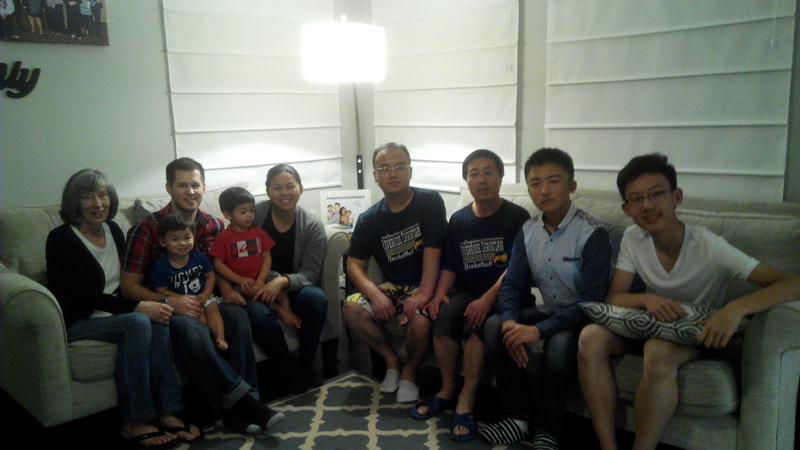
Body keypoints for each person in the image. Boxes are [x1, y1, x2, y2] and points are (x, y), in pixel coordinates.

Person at [577, 153, 800, 450]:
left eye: (657, 194)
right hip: (650, 325)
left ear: (676, 197)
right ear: (627, 209)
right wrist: (647, 298)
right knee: (589, 337)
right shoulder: (633, 238)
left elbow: (793, 283)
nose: (647, 205)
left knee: (657, 352)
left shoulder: (709, 246)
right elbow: (614, 297)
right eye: (637, 199)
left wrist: (735, 308)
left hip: (695, 335)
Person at [121, 157, 283, 435]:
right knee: (191, 328)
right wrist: (169, 301)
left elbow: (217, 269)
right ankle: (246, 405)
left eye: (195, 185)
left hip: (207, 299)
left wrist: (227, 287)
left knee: (238, 316)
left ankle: (244, 403)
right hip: (165, 307)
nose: (190, 191)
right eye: (182, 185)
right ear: (169, 188)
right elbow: (128, 288)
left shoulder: (214, 225)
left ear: (204, 188)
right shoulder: (146, 230)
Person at [46, 169, 203, 448]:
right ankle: (134, 420)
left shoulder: (114, 230)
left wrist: (155, 301)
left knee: (158, 318)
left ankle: (168, 411)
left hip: (116, 312)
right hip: (80, 320)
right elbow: (80, 297)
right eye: (88, 197)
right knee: (138, 321)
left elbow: (128, 280)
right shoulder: (61, 238)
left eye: (103, 195)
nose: (98, 204)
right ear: (74, 201)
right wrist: (136, 306)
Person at [479, 148, 612, 448]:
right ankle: (517, 418)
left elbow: (591, 302)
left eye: (554, 181)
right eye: (535, 183)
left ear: (571, 185)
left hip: (581, 319)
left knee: (560, 344)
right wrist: (511, 323)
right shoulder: (527, 230)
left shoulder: (592, 233)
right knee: (495, 326)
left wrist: (537, 331)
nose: (544, 190)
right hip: (547, 310)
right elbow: (511, 284)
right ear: (528, 189)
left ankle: (548, 430)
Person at [412, 149, 530, 442]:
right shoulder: (459, 219)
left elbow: (517, 267)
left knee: (480, 321)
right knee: (445, 314)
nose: (482, 180)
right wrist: (439, 294)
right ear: (466, 180)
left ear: (500, 178)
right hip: (467, 292)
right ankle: (447, 388)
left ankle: (467, 399)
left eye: (489, 172)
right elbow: (451, 265)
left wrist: (488, 298)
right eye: (474, 174)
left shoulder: (518, 217)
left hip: (506, 294)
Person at [342, 142, 447, 403]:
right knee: (351, 308)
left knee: (420, 321)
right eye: (384, 168)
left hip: (430, 285)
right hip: (394, 287)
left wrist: (424, 294)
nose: (393, 173)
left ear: (410, 171)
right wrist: (374, 294)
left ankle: (410, 372)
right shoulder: (369, 218)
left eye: (399, 166)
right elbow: (354, 264)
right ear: (375, 176)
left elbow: (434, 250)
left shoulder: (430, 202)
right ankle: (392, 362)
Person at [242, 164, 328, 394]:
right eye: (277, 187)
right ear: (268, 191)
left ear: (301, 188)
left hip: (292, 287)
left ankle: (306, 365)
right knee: (258, 314)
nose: (284, 193)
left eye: (290, 186)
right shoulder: (255, 215)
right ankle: (289, 370)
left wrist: (281, 282)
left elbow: (310, 273)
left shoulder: (312, 225)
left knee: (316, 299)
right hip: (255, 285)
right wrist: (260, 283)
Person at [211, 186, 302, 329]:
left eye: (252, 211)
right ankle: (277, 309)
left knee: (278, 284)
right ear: (228, 215)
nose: (250, 215)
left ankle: (287, 309)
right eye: (243, 212)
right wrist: (239, 279)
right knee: (252, 291)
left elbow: (267, 257)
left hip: (262, 277)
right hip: (240, 282)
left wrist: (261, 278)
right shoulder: (223, 238)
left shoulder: (259, 233)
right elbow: (218, 264)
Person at [152, 212, 227, 350]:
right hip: (183, 302)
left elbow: (210, 276)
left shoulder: (198, 256)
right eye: (175, 239)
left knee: (213, 309)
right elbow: (161, 290)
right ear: (162, 242)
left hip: (202, 295)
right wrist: (181, 299)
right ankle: (209, 344)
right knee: (199, 317)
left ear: (194, 236)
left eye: (187, 237)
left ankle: (220, 338)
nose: (182, 243)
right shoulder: (161, 265)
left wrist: (206, 294)